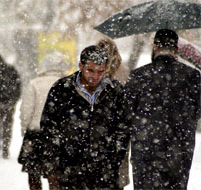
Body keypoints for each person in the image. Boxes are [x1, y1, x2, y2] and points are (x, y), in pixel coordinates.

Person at [40, 45, 130, 189]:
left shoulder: (115, 91)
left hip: (105, 173)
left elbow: (124, 129)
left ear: (106, 68)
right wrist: (55, 164)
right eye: (90, 70)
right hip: (69, 172)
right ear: (81, 66)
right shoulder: (62, 89)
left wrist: (114, 158)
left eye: (100, 71)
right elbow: (49, 127)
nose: (95, 76)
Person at [125, 29, 200, 190]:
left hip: (145, 150)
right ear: (176, 50)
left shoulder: (138, 76)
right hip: (179, 150)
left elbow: (126, 112)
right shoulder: (192, 76)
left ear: (155, 47)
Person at [18, 52, 69, 190]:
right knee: (55, 173)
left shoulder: (34, 83)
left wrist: (25, 128)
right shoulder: (67, 84)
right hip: (58, 134)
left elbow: (26, 110)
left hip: (35, 133)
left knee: (33, 172)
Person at [97, 38, 131, 189]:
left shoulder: (92, 72)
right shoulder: (126, 72)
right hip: (119, 129)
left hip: (98, 129)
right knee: (118, 172)